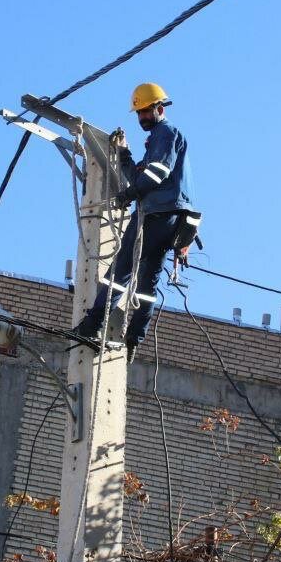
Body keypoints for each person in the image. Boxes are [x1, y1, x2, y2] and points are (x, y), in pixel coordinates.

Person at [74, 82, 200, 360]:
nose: (142, 117)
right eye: (139, 113)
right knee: (146, 286)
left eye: (146, 111)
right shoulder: (158, 139)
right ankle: (133, 339)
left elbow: (155, 176)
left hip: (157, 218)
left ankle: (92, 325)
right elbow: (144, 177)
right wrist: (124, 155)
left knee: (120, 272)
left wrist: (127, 195)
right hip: (168, 221)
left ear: (159, 108)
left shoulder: (165, 133)